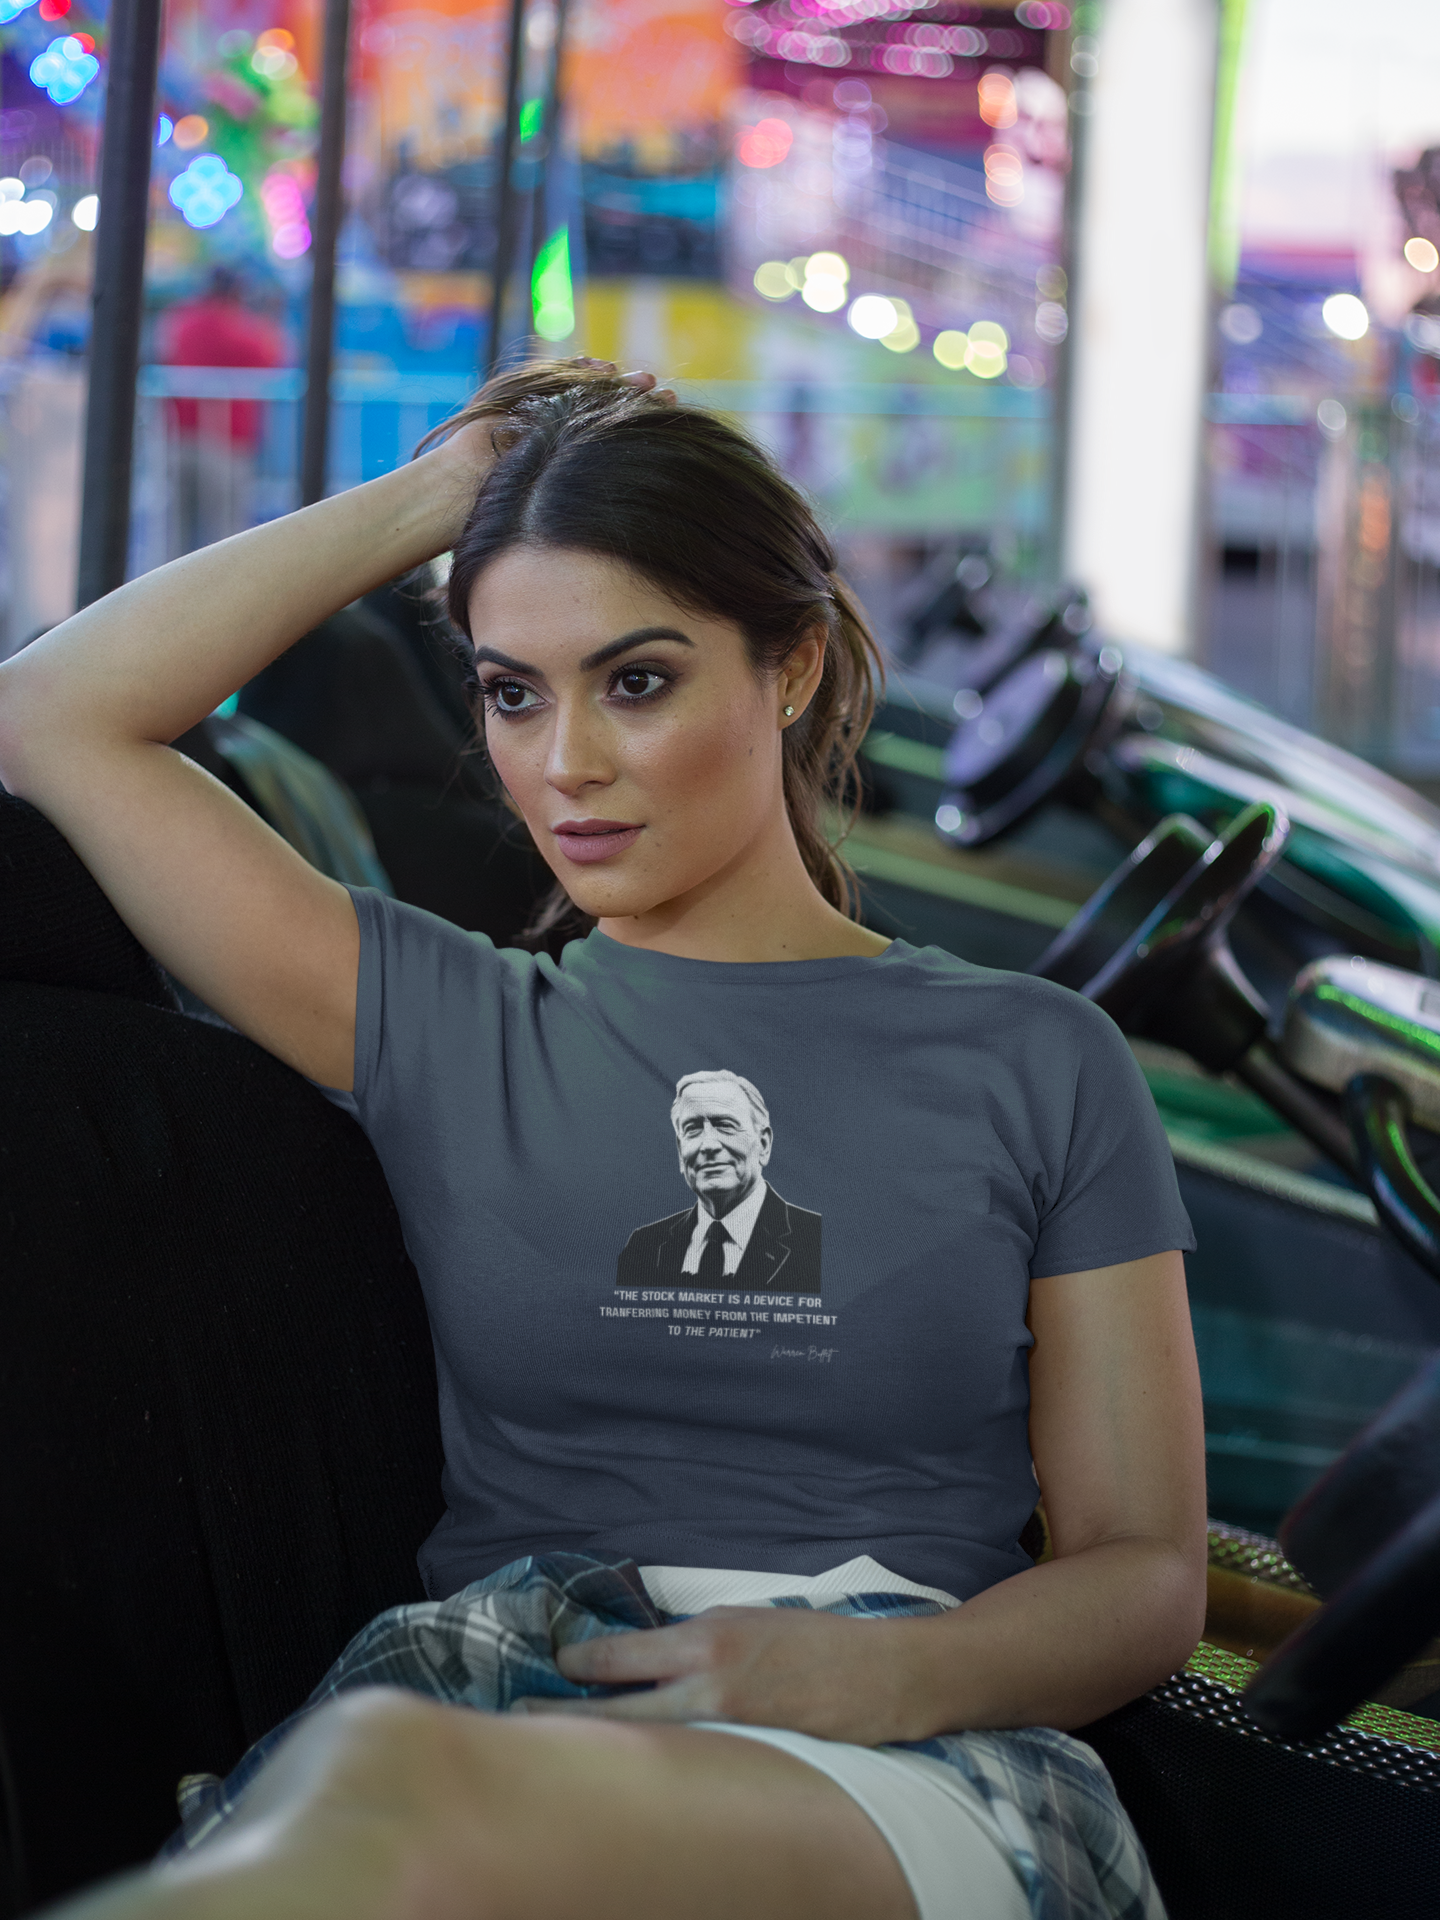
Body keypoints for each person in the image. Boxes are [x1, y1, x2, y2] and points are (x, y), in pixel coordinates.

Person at [0, 357, 1205, 1920]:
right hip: (495, 1692)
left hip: (907, 1743)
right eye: (514, 690)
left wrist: (889, 1672)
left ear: (789, 667)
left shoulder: (1038, 1060)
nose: (564, 762)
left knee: (395, 1805)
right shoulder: (451, 1023)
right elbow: (50, 717)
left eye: (635, 681)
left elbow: (1143, 1569)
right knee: (383, 1788)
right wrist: (451, 491)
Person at [615, 1067, 823, 1292]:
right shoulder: (644, 1247)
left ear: (763, 1145)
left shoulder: (815, 1239)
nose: (709, 1145)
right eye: (692, 1129)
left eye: (725, 1125)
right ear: (679, 1151)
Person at [158, 265, 287, 557]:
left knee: (176, 535)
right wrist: (269, 317)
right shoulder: (236, 327)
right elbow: (272, 355)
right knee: (227, 539)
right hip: (224, 444)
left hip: (180, 438)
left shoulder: (181, 320)